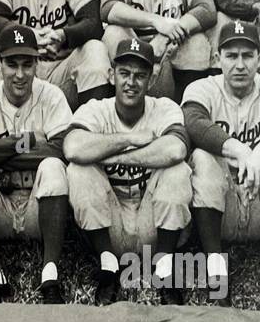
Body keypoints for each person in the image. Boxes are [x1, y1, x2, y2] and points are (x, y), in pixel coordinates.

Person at [63, 37, 193, 305]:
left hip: (152, 219)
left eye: (139, 75)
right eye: (124, 73)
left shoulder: (165, 107)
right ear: (111, 75)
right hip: (110, 221)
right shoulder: (96, 109)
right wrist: (128, 140)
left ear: (151, 79)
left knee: (176, 170)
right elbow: (73, 148)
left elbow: (175, 150)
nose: (131, 82)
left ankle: (165, 268)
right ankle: (108, 266)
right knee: (79, 170)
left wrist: (111, 157)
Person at [184, 21, 260, 308]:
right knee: (202, 156)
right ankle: (215, 266)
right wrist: (238, 149)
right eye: (231, 56)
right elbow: (194, 124)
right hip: (221, 210)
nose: (239, 64)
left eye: (247, 55)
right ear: (217, 59)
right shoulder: (202, 87)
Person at [0, 26, 73, 304]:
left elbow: (61, 149)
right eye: (12, 64)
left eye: (27, 64)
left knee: (53, 168)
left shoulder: (52, 95)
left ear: (38, 63)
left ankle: (50, 272)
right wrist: (25, 141)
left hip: (39, 207)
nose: (20, 74)